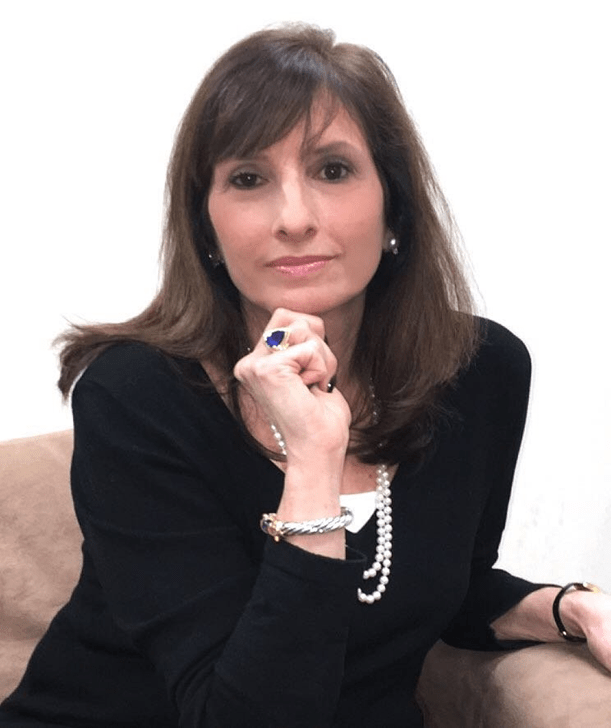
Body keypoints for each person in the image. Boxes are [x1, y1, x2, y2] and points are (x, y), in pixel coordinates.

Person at [1, 23, 609, 728]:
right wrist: (315, 458)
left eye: (332, 170)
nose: (293, 218)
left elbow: (440, 584)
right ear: (206, 227)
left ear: (394, 205)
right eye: (248, 179)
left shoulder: (479, 370)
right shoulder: (135, 394)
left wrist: (571, 608)